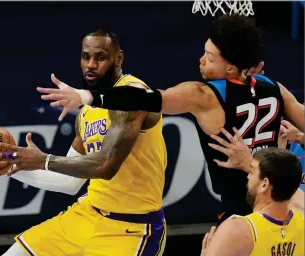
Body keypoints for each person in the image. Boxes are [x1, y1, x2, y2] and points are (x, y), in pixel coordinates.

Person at [37, 14, 304, 224]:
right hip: (287, 208)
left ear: (230, 68)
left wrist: (86, 96)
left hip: (243, 212)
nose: (200, 61)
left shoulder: (203, 96)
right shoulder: (275, 87)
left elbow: (144, 98)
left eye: (209, 58)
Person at [0, 29, 168, 256]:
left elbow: (105, 166)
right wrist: (10, 167)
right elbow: (69, 182)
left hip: (130, 229)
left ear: (119, 58)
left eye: (100, 57)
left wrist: (43, 160)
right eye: (86, 57)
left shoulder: (133, 96)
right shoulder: (86, 111)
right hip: (87, 216)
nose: (91, 65)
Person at [199, 147, 304, 256]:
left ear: (264, 183)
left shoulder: (235, 231)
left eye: (252, 171)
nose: (248, 176)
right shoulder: (302, 222)